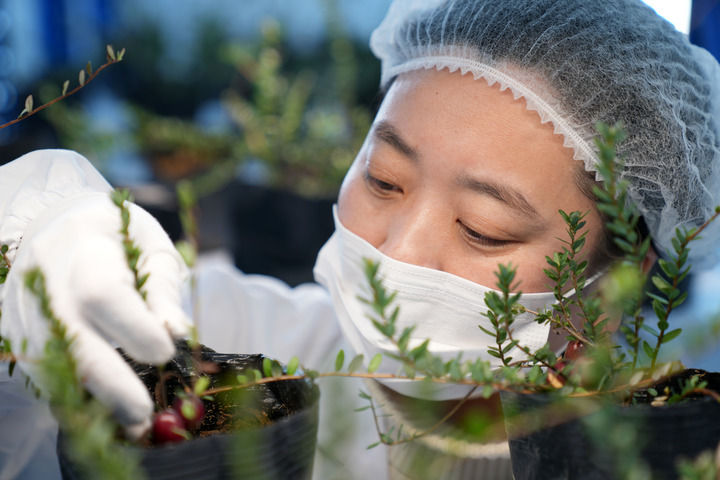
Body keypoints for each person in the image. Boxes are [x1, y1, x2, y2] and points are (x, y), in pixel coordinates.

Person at [1, 0, 719, 478]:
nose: (398, 251)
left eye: (482, 227)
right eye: (383, 179)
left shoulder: (659, 453)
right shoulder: (232, 346)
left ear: (612, 290)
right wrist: (33, 237)